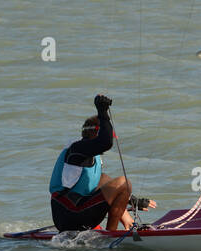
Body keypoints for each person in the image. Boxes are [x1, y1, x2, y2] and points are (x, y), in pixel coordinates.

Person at [49, 94, 150, 234]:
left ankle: (125, 222)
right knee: (124, 182)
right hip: (70, 216)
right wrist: (102, 112)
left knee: (104, 179)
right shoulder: (77, 150)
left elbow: (106, 185)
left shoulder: (84, 153)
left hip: (68, 215)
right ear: (96, 133)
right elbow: (106, 142)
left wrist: (133, 201)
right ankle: (111, 236)